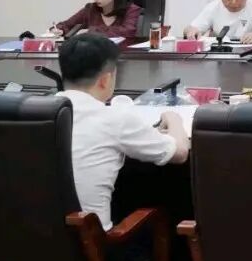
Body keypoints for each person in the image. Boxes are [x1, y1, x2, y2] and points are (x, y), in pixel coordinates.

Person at [57, 33, 190, 233]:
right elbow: (180, 153)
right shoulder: (114, 119)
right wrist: (174, 119)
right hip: (92, 245)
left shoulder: (36, 114)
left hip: (34, 241)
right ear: (105, 80)